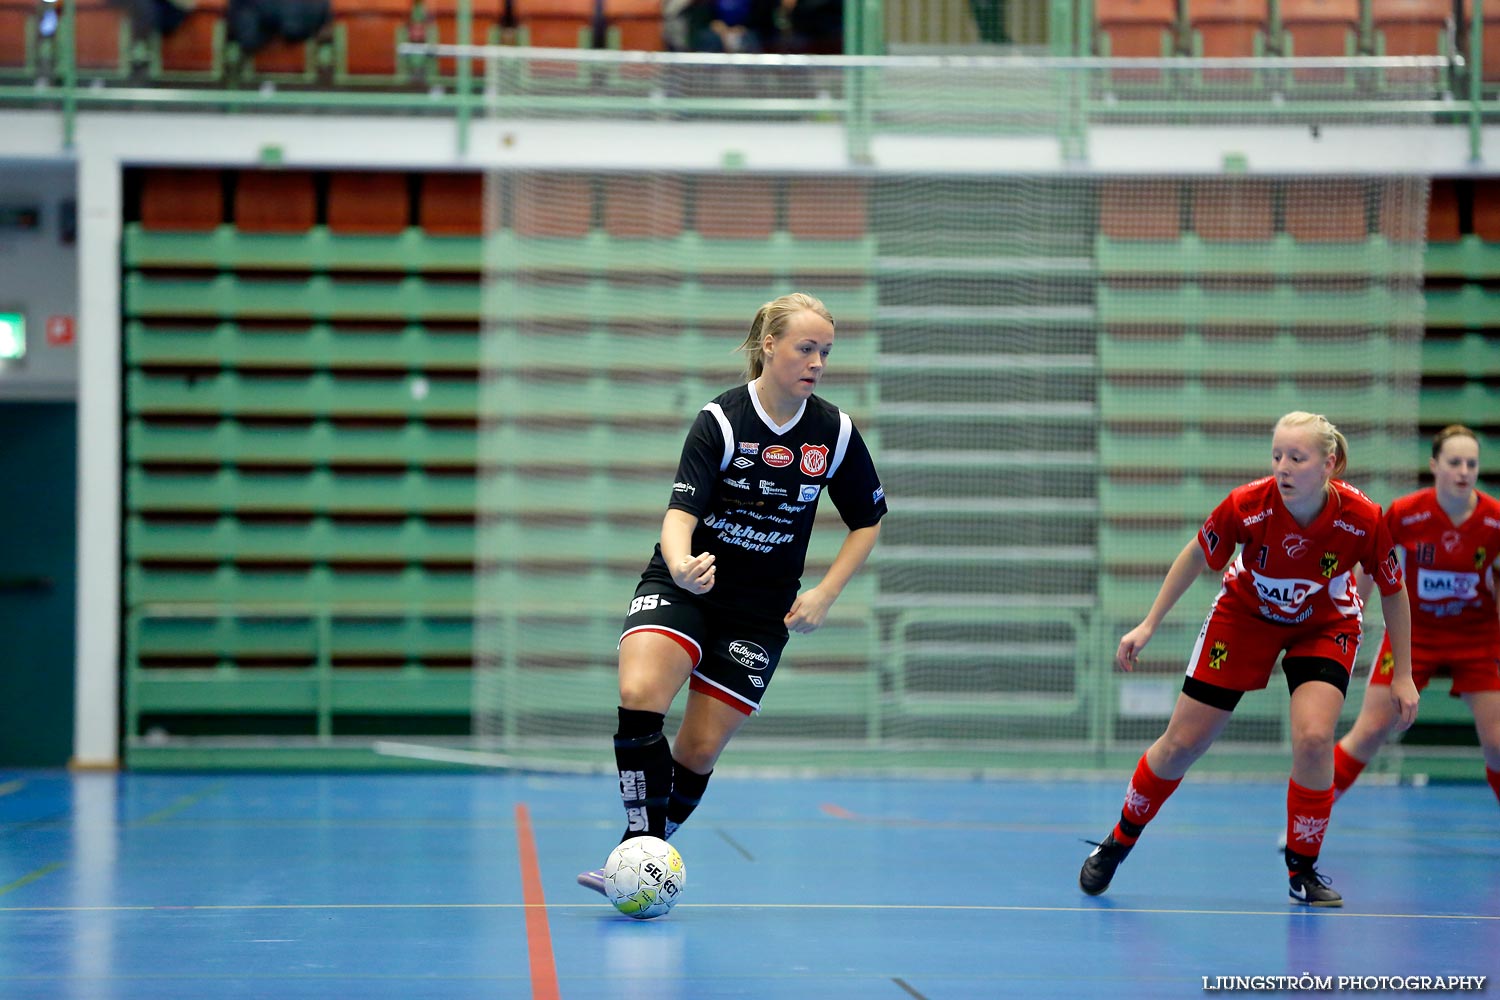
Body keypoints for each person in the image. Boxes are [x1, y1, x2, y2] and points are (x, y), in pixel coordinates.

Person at [578, 292, 887, 894]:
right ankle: (640, 854)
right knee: (640, 689)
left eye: (825, 352)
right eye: (806, 348)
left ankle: (633, 857)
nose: (817, 362)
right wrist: (680, 562)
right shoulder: (721, 420)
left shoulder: (834, 431)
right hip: (689, 581)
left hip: (759, 609)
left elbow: (868, 519)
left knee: (696, 750)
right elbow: (678, 512)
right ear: (768, 346)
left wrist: (826, 592)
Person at [1079, 412, 1420, 907]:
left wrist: (1403, 674)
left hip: (1324, 624)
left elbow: (1393, 590)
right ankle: (1118, 841)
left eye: (1296, 458)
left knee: (1314, 736)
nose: (1283, 467)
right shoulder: (1248, 505)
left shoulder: (1363, 518)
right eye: (1277, 455)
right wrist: (1148, 623)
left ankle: (1302, 870)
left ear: (1328, 465)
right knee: (1181, 744)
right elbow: (1196, 554)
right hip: (1244, 618)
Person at [1331, 426, 1500, 805]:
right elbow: (1370, 562)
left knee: (1498, 743)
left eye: (1471, 464)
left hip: (1476, 636)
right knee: (1371, 729)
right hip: (1414, 634)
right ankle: (1308, 818)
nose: (1463, 471)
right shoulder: (1407, 514)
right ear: (1434, 466)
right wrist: (1351, 615)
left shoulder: (1495, 520)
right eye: (1454, 462)